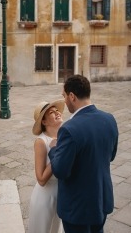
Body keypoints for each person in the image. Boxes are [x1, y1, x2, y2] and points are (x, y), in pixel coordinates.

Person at [48, 74, 118, 233]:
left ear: (72, 96)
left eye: (64, 96)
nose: (64, 101)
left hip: (77, 208)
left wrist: (54, 149)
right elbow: (111, 156)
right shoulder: (109, 119)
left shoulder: (69, 129)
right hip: (101, 200)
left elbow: (60, 170)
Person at [28, 99, 65, 233]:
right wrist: (57, 153)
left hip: (62, 194)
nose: (57, 113)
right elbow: (41, 179)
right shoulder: (41, 142)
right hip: (45, 198)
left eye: (57, 110)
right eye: (51, 112)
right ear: (44, 121)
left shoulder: (64, 137)